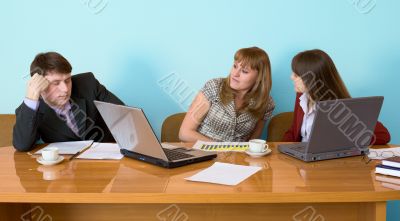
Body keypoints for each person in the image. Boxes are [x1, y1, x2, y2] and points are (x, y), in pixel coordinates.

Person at [13, 52, 124, 152]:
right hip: (65, 168)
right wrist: (32, 98)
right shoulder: (30, 110)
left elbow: (123, 116)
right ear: (40, 85)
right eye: (56, 83)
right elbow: (22, 145)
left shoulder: (88, 84)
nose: (65, 89)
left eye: (67, 80)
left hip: (105, 163)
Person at [283, 49, 390, 144]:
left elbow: (383, 135)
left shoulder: (338, 108)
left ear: (312, 80)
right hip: (300, 161)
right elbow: (294, 131)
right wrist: (282, 150)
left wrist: (345, 138)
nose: (291, 77)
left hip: (326, 163)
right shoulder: (302, 96)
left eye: (297, 75)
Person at [179, 47, 275, 142]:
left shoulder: (266, 103)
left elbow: (253, 142)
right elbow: (185, 133)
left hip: (237, 156)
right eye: (235, 66)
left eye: (244, 71)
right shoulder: (214, 87)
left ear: (259, 77)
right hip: (203, 153)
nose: (235, 74)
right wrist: (220, 149)